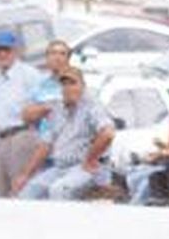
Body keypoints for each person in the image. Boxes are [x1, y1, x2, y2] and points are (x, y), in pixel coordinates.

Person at [14, 65, 115, 201]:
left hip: (87, 169)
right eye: (64, 84)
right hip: (61, 168)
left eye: (73, 83)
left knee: (59, 189)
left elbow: (108, 134)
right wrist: (25, 175)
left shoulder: (92, 107)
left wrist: (91, 158)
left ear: (83, 86)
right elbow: (45, 146)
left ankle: (62, 223)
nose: (68, 88)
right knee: (29, 191)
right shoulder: (57, 109)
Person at [0, 30, 45, 197]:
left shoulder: (29, 74)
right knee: (1, 192)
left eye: (7, 49)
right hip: (1, 139)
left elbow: (45, 105)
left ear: (16, 51)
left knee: (20, 191)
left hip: (23, 135)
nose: (3, 54)